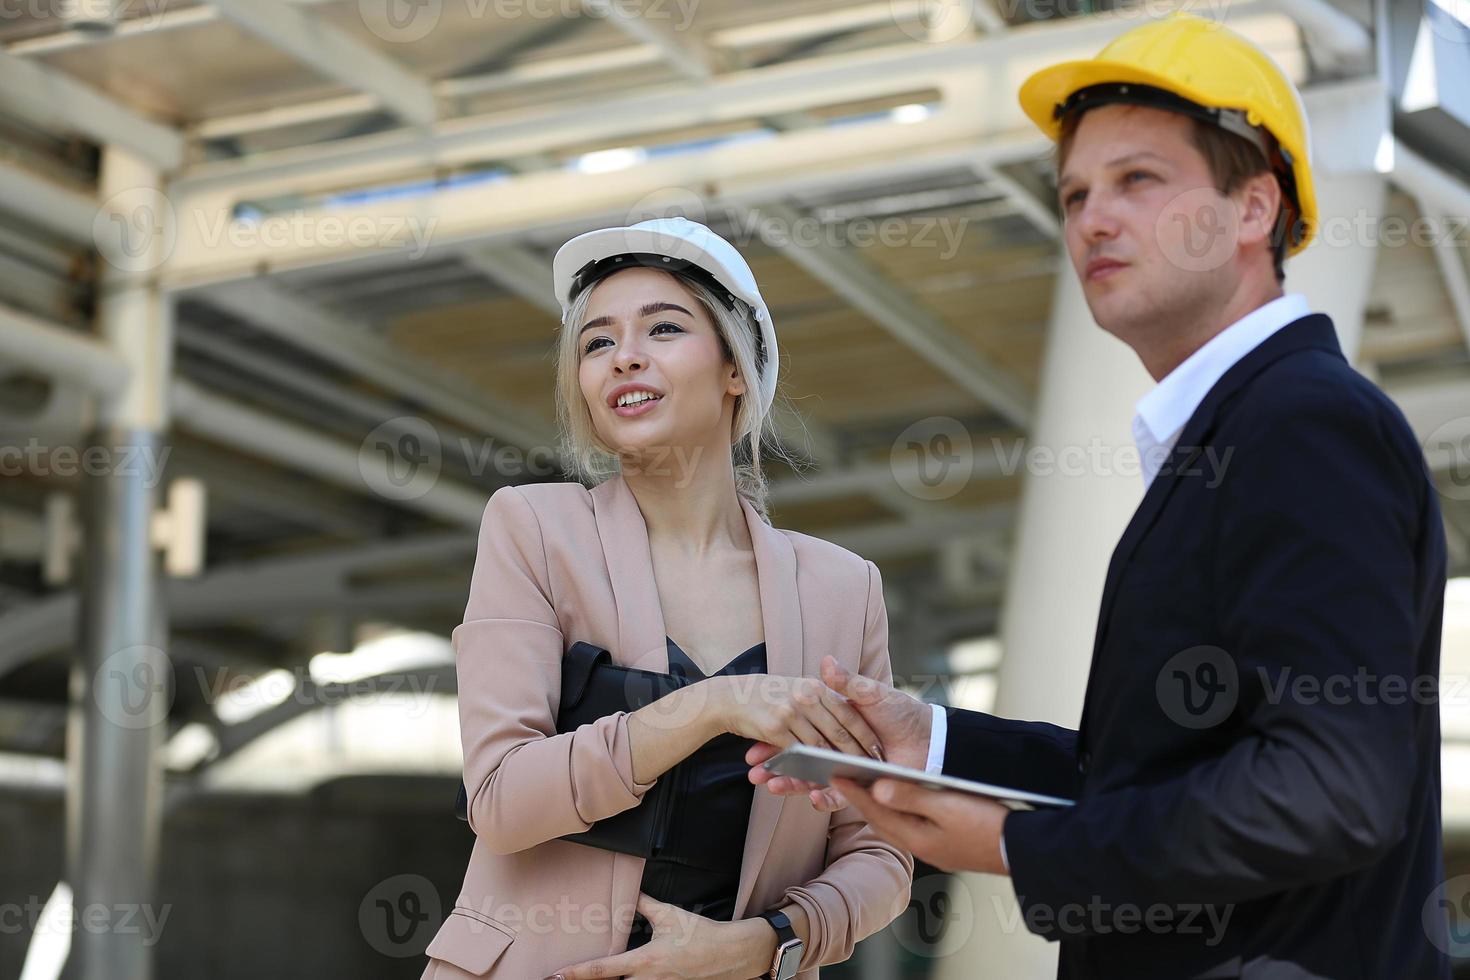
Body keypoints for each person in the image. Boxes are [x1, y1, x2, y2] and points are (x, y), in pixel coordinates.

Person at [749, 13, 1451, 978]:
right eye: (1075, 194)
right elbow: (1155, 775)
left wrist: (1010, 846)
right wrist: (938, 741)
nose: (1092, 219)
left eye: (1138, 181)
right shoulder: (1245, 429)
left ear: (1254, 209)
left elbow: (1334, 787)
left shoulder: (1302, 424)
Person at [420, 217, 913, 980]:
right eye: (598, 342)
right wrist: (707, 707)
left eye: (664, 327)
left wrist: (771, 942)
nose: (625, 357)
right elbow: (501, 798)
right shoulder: (534, 530)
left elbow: (877, 848)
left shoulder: (845, 589)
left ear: (734, 371)